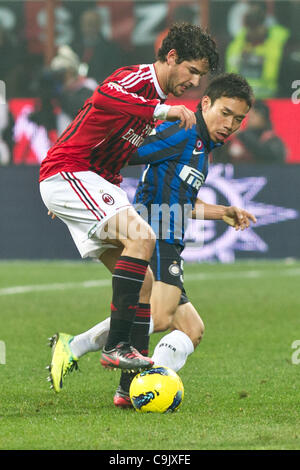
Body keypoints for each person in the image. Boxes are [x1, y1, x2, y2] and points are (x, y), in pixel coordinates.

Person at [47, 73, 256, 407]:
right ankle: (83, 351)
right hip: (155, 234)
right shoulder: (182, 133)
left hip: (170, 237)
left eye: (238, 119)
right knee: (158, 315)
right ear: (205, 103)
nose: (230, 124)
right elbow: (126, 152)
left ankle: (129, 390)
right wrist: (76, 190)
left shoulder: (202, 146)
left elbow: (183, 202)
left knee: (192, 330)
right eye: (225, 112)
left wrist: (224, 212)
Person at [40, 23, 220, 391]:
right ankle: (116, 346)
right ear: (172, 57)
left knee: (148, 282)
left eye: (202, 76)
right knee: (143, 238)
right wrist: (162, 110)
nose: (195, 82)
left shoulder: (151, 102)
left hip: (91, 182)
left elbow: (114, 148)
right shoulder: (137, 79)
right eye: (193, 71)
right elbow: (103, 97)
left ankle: (131, 382)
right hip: (70, 171)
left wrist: (80, 202)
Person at [225, 2, 290, 99]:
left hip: (270, 97)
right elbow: (231, 74)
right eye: (251, 25)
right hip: (241, 98)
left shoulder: (280, 38)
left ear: (265, 22)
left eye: (258, 23)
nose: (254, 30)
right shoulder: (237, 43)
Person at [212, 99, 286, 164]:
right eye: (250, 116)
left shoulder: (272, 140)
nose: (250, 119)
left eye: (255, 115)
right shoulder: (237, 140)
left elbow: (266, 155)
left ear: (264, 119)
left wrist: (241, 134)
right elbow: (219, 161)